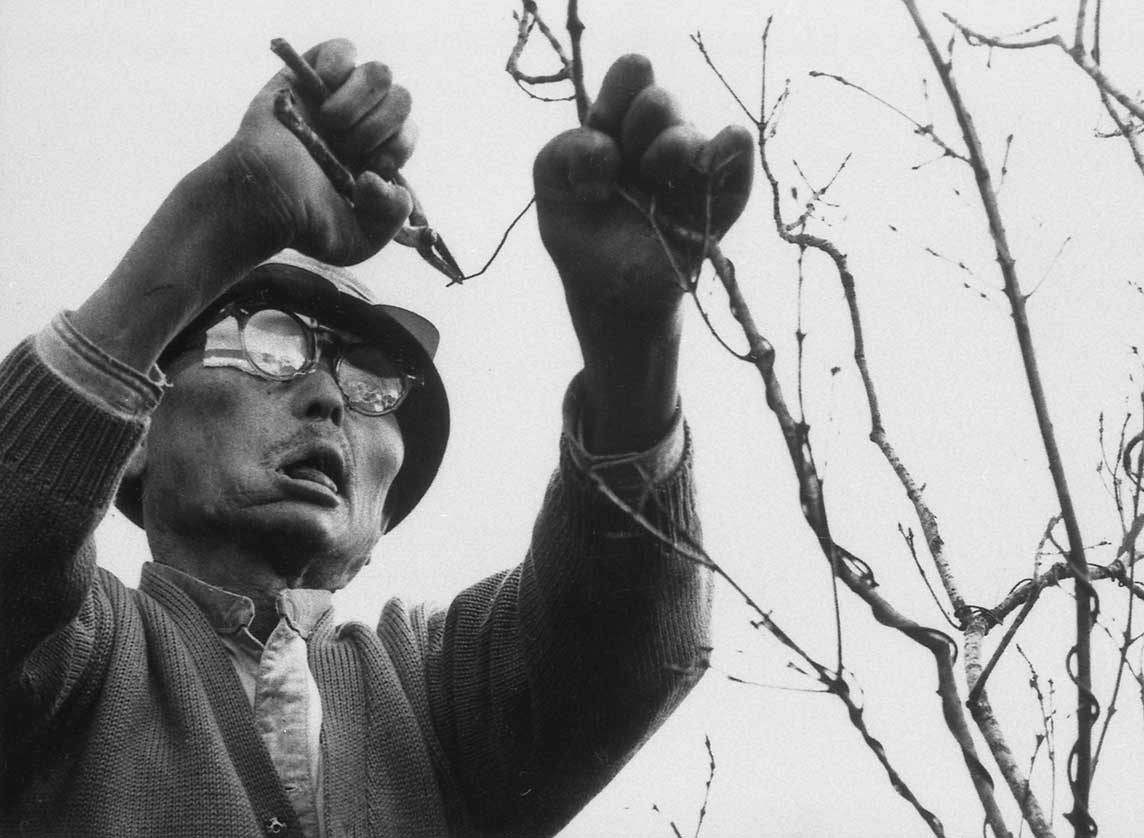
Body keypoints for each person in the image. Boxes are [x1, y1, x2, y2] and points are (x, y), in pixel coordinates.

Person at [0, 38, 752, 837]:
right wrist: (229, 209)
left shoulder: (431, 689)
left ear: (381, 520)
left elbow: (621, 638)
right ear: (137, 431)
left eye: (372, 388)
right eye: (272, 343)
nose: (328, 397)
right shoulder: (71, 653)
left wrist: (633, 344)